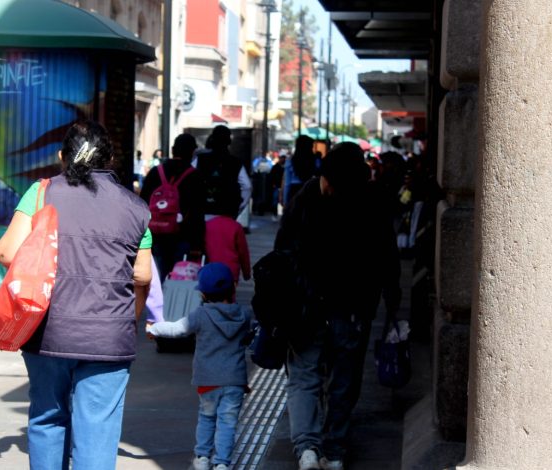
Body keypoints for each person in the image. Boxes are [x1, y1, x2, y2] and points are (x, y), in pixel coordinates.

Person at [0, 120, 152, 470]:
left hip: (48, 329)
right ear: (109, 160)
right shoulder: (136, 207)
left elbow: (7, 252)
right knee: (97, 429)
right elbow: (143, 273)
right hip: (109, 337)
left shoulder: (42, 192)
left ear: (63, 156)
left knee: (47, 417)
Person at [274, 142, 401, 470]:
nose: (324, 183)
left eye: (327, 178)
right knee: (344, 377)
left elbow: (283, 248)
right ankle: (335, 450)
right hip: (353, 307)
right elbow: (387, 254)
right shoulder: (373, 200)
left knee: (305, 375)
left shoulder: (307, 197)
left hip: (309, 304)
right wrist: (391, 295)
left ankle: (308, 448)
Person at [147, 263, 252, 470]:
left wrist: (155, 328)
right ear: (232, 288)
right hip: (234, 381)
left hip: (207, 380)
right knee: (228, 422)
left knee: (206, 417)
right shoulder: (244, 315)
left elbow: (177, 329)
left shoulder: (201, 315)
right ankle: (222, 463)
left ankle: (202, 458)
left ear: (203, 294)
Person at [140, 133, 206, 282]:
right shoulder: (195, 177)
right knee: (178, 275)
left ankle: (159, 302)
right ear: (192, 153)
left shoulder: (155, 172)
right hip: (183, 235)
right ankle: (173, 301)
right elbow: (197, 212)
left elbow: (142, 203)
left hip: (155, 234)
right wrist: (198, 243)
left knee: (157, 274)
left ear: (172, 149)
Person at [194, 125, 252, 224]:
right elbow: (247, 186)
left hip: (202, 214)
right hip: (226, 215)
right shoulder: (235, 163)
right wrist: (238, 208)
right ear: (229, 142)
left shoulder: (199, 160)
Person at [204, 197, 251, 286]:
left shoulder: (208, 225)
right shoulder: (236, 227)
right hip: (230, 271)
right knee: (229, 296)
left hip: (210, 269)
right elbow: (243, 253)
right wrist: (246, 273)